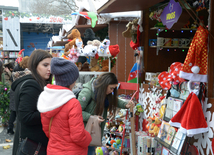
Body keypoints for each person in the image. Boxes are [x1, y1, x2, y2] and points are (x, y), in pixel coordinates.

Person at [37, 57, 92, 155]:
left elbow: (46, 129)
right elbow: (78, 135)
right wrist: (88, 138)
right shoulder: (72, 103)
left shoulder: (46, 98)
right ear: (71, 81)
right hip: (73, 151)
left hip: (53, 149)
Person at [78, 72, 135, 155]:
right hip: (84, 133)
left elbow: (113, 99)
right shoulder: (87, 92)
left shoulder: (104, 93)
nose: (112, 91)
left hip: (93, 134)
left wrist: (125, 104)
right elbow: (77, 113)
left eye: (114, 89)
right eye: (111, 88)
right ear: (104, 85)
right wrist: (92, 117)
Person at [11, 49, 52, 155]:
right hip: (33, 145)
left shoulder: (32, 81)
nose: (49, 69)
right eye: (45, 65)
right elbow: (26, 117)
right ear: (35, 65)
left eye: (51, 65)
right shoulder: (31, 85)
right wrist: (51, 112)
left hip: (31, 143)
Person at [7, 56, 30, 135]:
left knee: (13, 110)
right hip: (20, 89)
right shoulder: (26, 71)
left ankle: (10, 127)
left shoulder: (16, 68)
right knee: (20, 110)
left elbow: (11, 78)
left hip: (13, 90)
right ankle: (18, 129)